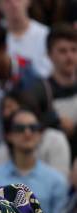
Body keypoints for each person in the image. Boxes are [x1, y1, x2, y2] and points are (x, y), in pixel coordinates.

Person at [0, 108, 68, 213]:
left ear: (40, 134)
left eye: (33, 127)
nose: (27, 132)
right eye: (19, 128)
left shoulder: (57, 181)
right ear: (9, 135)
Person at [24, 23, 77, 157]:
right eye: (62, 51)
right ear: (49, 55)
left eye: (74, 50)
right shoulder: (39, 91)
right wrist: (54, 122)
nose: (70, 57)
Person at [0, 0, 53, 78]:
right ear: (0, 5)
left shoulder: (46, 35)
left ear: (28, 1)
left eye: (18, 0)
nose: (14, 5)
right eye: (8, 1)